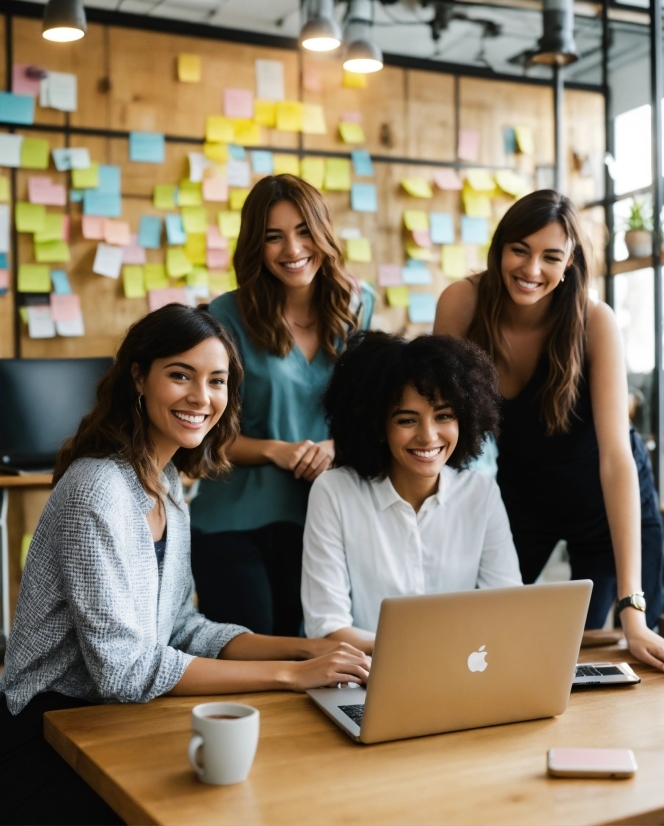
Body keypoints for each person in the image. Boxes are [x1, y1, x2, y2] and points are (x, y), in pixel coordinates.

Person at [0, 305, 370, 825]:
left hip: (117, 722)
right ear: (138, 377)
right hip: (48, 734)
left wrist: (311, 646)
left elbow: (180, 627)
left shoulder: (169, 483)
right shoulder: (96, 491)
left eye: (216, 381)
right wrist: (291, 674)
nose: (202, 397)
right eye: (180, 375)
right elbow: (124, 672)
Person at [434, 189, 664, 675]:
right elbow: (439, 421)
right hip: (523, 496)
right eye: (520, 250)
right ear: (500, 248)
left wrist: (633, 608)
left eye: (551, 256)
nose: (531, 269)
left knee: (600, 647)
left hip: (604, 503)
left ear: (569, 263)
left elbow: (616, 457)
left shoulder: (594, 321)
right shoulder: (462, 302)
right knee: (486, 639)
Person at [190, 174, 374, 636]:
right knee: (250, 662)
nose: (292, 249)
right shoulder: (225, 315)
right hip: (233, 521)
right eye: (274, 237)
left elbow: (370, 411)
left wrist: (334, 445)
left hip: (324, 517)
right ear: (256, 245)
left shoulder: (358, 305)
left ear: (323, 233)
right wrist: (279, 450)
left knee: (312, 658)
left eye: (304, 231)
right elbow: (202, 430)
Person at [301, 331, 522, 653]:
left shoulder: (481, 493)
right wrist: (429, 652)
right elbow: (328, 628)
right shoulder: (335, 492)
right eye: (407, 420)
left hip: (467, 674)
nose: (428, 436)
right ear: (377, 425)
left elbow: (509, 610)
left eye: (444, 416)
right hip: (368, 678)